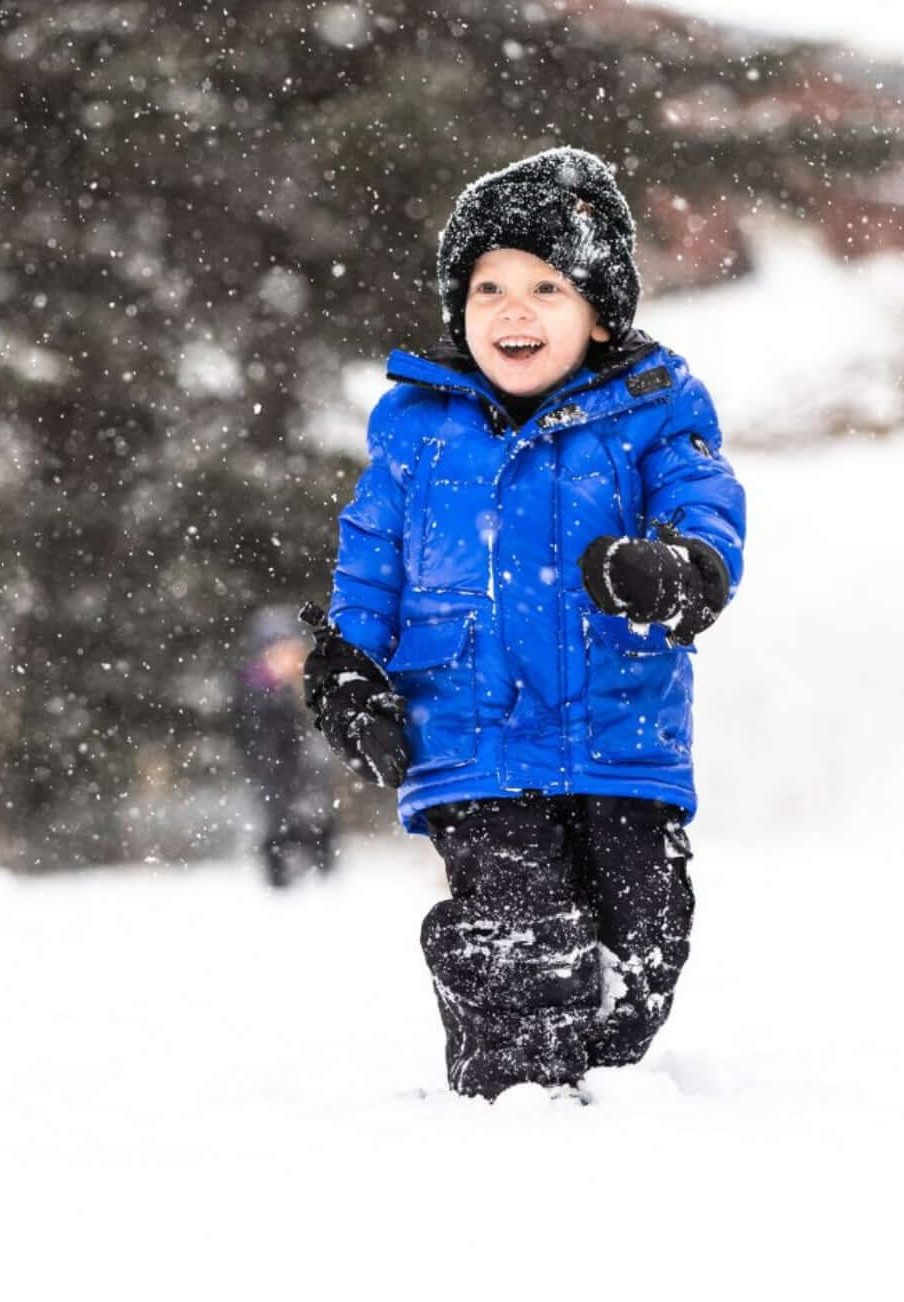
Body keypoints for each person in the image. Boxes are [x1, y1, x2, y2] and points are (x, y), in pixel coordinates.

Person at [303, 147, 746, 1097]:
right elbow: (372, 553)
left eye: (547, 286)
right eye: (487, 285)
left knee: (644, 947)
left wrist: (674, 572)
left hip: (620, 730)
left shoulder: (655, 409)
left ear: (601, 309)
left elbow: (704, 507)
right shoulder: (416, 426)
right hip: (472, 734)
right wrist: (348, 661)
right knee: (522, 937)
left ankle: (596, 1083)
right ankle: (510, 1095)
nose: (513, 309)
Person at [235, 604, 338, 888]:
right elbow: (265, 755)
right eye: (281, 651)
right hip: (281, 799)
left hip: (310, 800)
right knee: (283, 844)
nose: (290, 658)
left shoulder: (306, 688)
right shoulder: (260, 698)